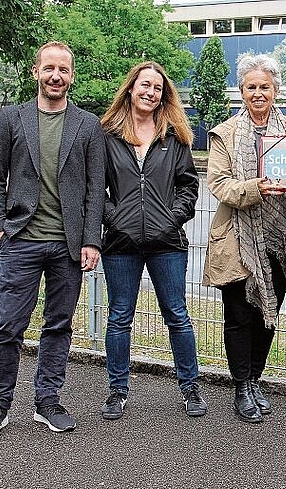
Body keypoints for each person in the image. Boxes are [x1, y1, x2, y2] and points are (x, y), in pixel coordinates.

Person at [0, 41, 106, 441]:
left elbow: (94, 187)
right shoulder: (11, 119)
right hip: (21, 241)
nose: (55, 76)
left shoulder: (87, 125)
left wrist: (91, 241)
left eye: (63, 70)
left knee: (59, 325)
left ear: (71, 75)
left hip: (68, 246)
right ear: (36, 72)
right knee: (8, 326)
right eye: (49, 68)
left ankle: (47, 402)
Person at [203, 53, 286, 423]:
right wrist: (256, 187)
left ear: (276, 90)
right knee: (239, 315)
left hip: (280, 237)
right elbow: (218, 184)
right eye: (250, 87)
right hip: (238, 237)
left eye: (264, 87)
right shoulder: (224, 133)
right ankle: (241, 386)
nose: (257, 93)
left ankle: (255, 379)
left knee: (269, 313)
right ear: (241, 91)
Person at [99, 61, 205, 420]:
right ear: (131, 88)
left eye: (157, 88)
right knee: (119, 317)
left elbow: (189, 187)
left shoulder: (173, 137)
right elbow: (96, 189)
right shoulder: (107, 134)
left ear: (163, 95)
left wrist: (170, 220)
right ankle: (117, 390)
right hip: (120, 243)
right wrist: (116, 220)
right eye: (145, 85)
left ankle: (190, 387)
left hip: (167, 242)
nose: (150, 92)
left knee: (177, 315)